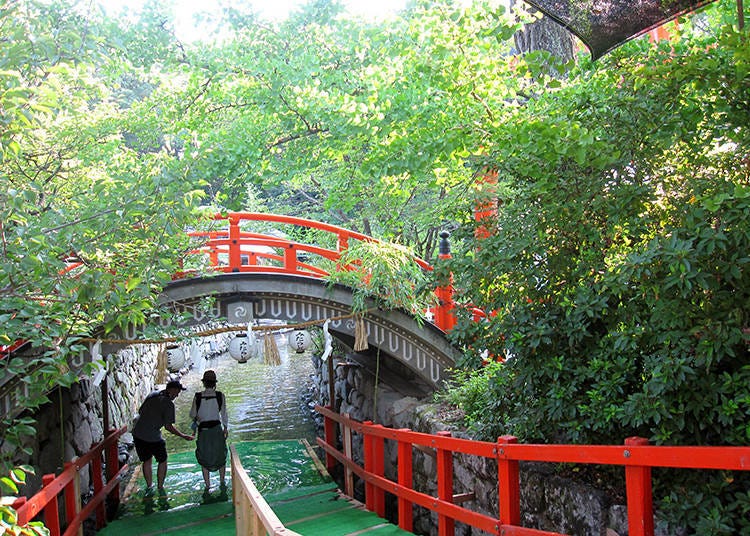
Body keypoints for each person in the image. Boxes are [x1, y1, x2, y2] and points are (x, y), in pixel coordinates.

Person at [132, 380, 194, 493]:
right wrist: (183, 435)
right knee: (163, 460)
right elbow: (168, 426)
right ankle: (160, 487)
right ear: (172, 390)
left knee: (146, 461)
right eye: (177, 392)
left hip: (138, 433)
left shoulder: (152, 394)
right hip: (152, 437)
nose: (177, 395)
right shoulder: (169, 404)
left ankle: (149, 486)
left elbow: (141, 411)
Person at [189, 369, 229, 491]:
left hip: (203, 431)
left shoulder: (198, 396)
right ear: (214, 383)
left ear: (204, 383)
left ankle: (208, 485)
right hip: (217, 429)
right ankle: (222, 482)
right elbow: (224, 414)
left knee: (204, 456)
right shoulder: (219, 396)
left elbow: (192, 414)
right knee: (220, 454)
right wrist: (226, 427)